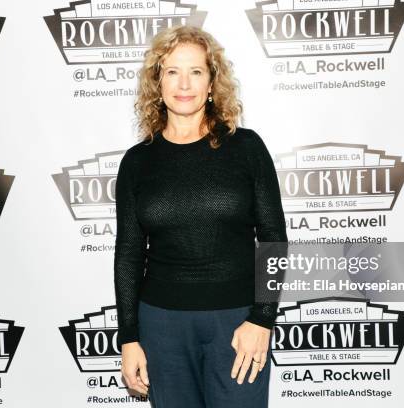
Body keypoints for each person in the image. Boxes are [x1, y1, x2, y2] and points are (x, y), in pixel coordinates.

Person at [113, 25, 287, 408]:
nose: (184, 83)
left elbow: (273, 238)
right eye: (172, 71)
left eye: (196, 71)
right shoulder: (137, 162)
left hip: (238, 325)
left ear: (212, 83)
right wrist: (128, 337)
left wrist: (262, 319)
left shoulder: (246, 148)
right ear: (157, 83)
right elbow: (128, 253)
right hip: (162, 328)